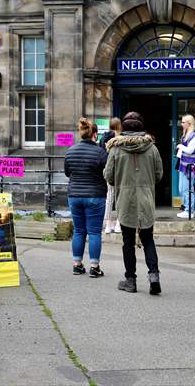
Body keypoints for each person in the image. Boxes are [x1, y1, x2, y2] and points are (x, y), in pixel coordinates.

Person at [104, 111, 163, 294]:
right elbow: (159, 175)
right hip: (146, 199)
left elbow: (108, 175)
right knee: (148, 239)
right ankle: (154, 276)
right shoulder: (152, 148)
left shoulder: (115, 149)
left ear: (124, 128)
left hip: (125, 200)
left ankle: (131, 281)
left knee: (128, 241)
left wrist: (122, 180)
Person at [64, 118, 108, 278]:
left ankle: (77, 265)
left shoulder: (70, 151)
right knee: (94, 232)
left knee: (78, 230)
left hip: (74, 195)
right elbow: (107, 172)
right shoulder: (100, 152)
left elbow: (68, 173)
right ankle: (94, 267)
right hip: (95, 195)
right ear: (94, 135)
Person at [175, 114, 195, 219]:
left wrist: (181, 146)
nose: (181, 124)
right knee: (182, 189)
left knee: (187, 188)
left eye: (183, 122)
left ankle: (189, 211)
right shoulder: (186, 134)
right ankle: (186, 209)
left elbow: (190, 150)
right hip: (183, 165)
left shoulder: (194, 135)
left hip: (191, 166)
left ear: (189, 123)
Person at [100, 117, 122, 234]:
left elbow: (101, 153)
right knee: (120, 197)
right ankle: (118, 223)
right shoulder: (121, 139)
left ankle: (108, 224)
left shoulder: (103, 137)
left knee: (109, 197)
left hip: (108, 169)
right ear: (119, 126)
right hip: (120, 170)